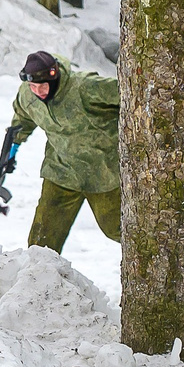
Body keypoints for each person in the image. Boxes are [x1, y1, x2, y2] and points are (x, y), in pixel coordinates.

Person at [8, 49, 121, 252]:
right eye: (33, 86)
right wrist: (14, 144)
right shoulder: (28, 94)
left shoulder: (85, 86)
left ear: (55, 77)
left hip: (105, 172)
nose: (38, 91)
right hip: (61, 171)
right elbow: (23, 117)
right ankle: (38, 281)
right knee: (41, 243)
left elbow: (129, 94)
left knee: (119, 229)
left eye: (42, 85)